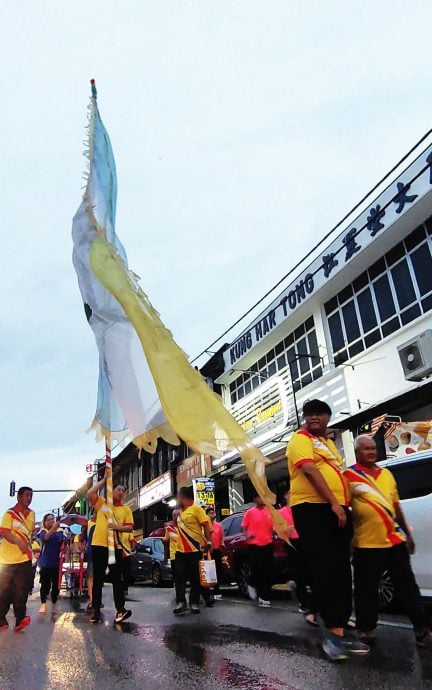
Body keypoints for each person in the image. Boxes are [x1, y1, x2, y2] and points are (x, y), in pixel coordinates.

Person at [287, 399, 369, 661]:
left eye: (319, 414)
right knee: (328, 568)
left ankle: (339, 632)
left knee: (343, 570)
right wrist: (334, 503)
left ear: (328, 418)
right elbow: (309, 470)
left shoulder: (329, 444)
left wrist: (347, 506)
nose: (313, 418)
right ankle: (332, 638)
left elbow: (339, 476)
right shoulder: (300, 439)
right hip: (313, 509)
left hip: (338, 511)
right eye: (309, 414)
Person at [344, 435, 432, 648]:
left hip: (394, 540)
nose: (371, 452)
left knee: (408, 588)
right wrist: (348, 541)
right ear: (357, 452)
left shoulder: (386, 474)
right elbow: (344, 509)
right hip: (366, 544)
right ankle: (367, 629)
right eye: (366, 449)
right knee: (366, 589)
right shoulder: (348, 476)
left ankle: (421, 630)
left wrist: (408, 535)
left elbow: (395, 507)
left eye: (373, 448)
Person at [87, 469, 134, 624]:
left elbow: (129, 527)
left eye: (123, 491)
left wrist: (116, 527)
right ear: (112, 490)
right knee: (98, 579)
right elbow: (90, 494)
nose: (121, 492)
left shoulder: (126, 509)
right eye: (118, 489)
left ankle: (120, 610)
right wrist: (104, 480)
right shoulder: (102, 504)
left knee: (117, 579)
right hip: (99, 545)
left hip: (115, 547)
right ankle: (96, 611)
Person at [279, 491, 318, 626]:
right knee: (299, 574)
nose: (291, 494)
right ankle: (304, 602)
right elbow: (278, 528)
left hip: (305, 542)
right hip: (291, 543)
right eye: (289, 493)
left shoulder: (299, 508)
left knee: (310, 572)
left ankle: (313, 603)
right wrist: (286, 529)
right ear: (285, 496)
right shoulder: (283, 511)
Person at [0, 486, 35, 632]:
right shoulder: (9, 514)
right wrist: (17, 541)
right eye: (26, 495)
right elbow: (5, 532)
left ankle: (20, 619)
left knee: (22, 590)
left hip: (24, 558)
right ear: (19, 497)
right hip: (6, 559)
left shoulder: (32, 514)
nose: (29, 498)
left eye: (31, 495)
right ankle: (1, 620)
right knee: (4, 592)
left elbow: (30, 534)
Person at [173, 486, 212, 615]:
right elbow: (176, 528)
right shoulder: (179, 512)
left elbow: (206, 525)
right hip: (180, 551)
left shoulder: (197, 509)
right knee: (179, 577)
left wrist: (209, 541)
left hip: (195, 550)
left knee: (195, 578)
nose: (177, 498)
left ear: (183, 496)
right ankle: (181, 602)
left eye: (178, 496)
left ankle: (193, 603)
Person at [241, 495, 274, 607]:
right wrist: (247, 535)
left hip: (268, 544)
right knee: (257, 570)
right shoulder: (250, 512)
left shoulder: (269, 511)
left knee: (268, 571)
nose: (262, 500)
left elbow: (273, 526)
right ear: (255, 499)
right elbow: (243, 527)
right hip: (255, 546)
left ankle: (264, 596)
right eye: (259, 498)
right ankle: (252, 584)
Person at [37, 513, 64, 614]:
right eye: (48, 520)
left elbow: (63, 542)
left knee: (56, 586)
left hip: (56, 564)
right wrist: (54, 528)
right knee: (45, 585)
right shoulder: (43, 532)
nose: (51, 521)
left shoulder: (60, 532)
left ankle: (54, 602)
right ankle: (43, 604)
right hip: (45, 564)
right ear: (44, 523)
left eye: (52, 519)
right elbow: (46, 538)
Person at [206, 507, 224, 600]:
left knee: (218, 570)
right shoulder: (205, 525)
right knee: (209, 571)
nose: (212, 514)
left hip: (217, 550)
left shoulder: (219, 525)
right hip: (208, 551)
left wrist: (222, 546)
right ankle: (209, 591)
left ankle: (217, 589)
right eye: (210, 513)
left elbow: (221, 538)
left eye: (213, 513)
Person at [84, 513, 97, 611]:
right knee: (91, 576)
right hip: (91, 554)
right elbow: (83, 538)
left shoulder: (104, 524)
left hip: (100, 553)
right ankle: (92, 598)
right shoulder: (89, 525)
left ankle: (96, 599)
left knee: (96, 577)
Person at [163, 508, 180, 583]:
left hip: (184, 553)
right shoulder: (169, 528)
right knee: (176, 575)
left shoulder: (186, 526)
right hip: (174, 555)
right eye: (174, 515)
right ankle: (178, 592)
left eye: (177, 515)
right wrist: (165, 556)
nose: (176, 517)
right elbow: (166, 541)